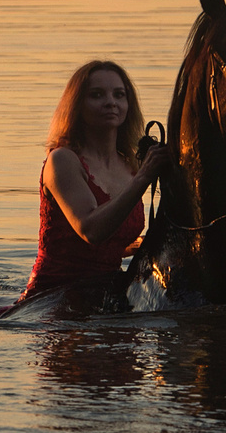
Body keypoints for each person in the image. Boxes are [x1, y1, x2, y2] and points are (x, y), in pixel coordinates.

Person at [11, 59, 170, 310]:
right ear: (77, 105)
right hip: (54, 297)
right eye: (97, 95)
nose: (111, 102)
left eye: (119, 95)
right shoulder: (63, 160)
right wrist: (143, 178)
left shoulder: (130, 164)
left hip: (108, 293)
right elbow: (90, 231)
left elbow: (110, 245)